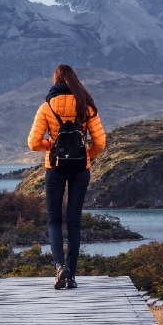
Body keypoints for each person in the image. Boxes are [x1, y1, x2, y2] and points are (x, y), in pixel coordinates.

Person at [28, 64, 106, 290]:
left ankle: (59, 266)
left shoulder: (46, 107)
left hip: (55, 168)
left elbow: (33, 143)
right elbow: (100, 143)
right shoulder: (86, 105)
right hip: (81, 170)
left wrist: (50, 145)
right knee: (74, 222)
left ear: (56, 81)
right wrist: (85, 157)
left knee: (54, 220)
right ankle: (71, 276)